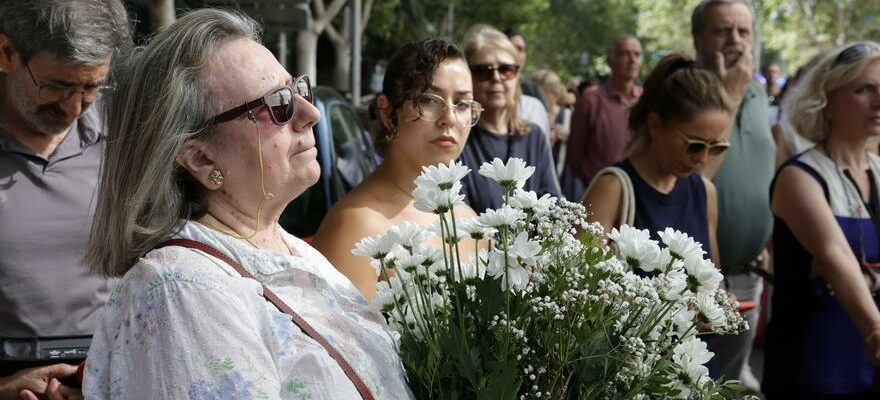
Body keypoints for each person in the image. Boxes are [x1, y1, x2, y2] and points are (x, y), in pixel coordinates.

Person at [81, 9, 413, 399]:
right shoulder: (183, 290)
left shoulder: (286, 250)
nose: (311, 113)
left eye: (297, 90)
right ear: (201, 159)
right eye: (277, 104)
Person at [0, 1, 130, 399]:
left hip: (115, 369)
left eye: (91, 87)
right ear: (6, 53)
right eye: (55, 86)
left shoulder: (129, 132)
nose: (73, 108)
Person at [313, 38, 482, 300]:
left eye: (462, 104)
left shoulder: (469, 219)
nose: (449, 117)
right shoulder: (356, 224)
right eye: (429, 99)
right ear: (387, 112)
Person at [763, 41, 880, 398]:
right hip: (814, 364)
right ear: (826, 101)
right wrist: (875, 329)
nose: (879, 101)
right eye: (864, 90)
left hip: (868, 364)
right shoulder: (800, 176)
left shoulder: (877, 170)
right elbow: (835, 255)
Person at [690, 0, 775, 390]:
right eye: (722, 30)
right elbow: (690, 183)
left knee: (735, 383)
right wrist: (732, 92)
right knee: (701, 385)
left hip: (749, 274)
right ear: (697, 38)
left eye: (744, 31)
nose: (735, 41)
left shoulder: (759, 95)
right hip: (699, 281)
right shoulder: (684, 90)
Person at [582, 54, 731, 268]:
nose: (703, 158)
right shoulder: (613, 188)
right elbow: (577, 282)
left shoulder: (705, 192)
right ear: (655, 124)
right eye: (695, 145)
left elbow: (713, 279)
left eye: (716, 147)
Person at [459, 24, 561, 213]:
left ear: (516, 75)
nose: (496, 78)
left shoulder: (534, 136)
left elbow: (553, 206)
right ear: (468, 76)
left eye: (506, 69)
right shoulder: (458, 138)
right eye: (483, 70)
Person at [567, 35, 643, 187]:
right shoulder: (591, 101)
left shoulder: (647, 99)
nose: (632, 60)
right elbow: (575, 153)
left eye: (637, 54)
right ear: (610, 61)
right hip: (599, 191)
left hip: (641, 193)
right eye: (624, 54)